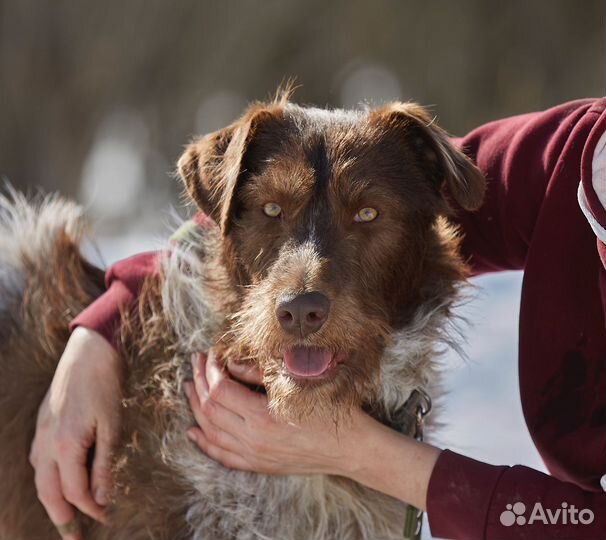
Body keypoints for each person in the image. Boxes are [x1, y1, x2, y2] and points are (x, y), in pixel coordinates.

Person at [29, 98, 606, 540]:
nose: (302, 297)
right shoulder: (586, 153)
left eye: (368, 216)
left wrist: (365, 455)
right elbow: (302, 192)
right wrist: (101, 328)